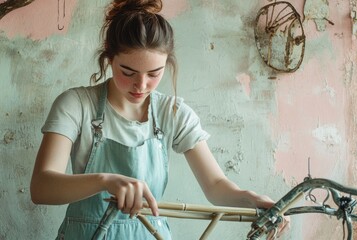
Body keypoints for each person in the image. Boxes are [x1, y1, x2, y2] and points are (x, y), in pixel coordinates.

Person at [30, 0, 289, 239]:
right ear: (109, 59)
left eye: (154, 74)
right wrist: (106, 180)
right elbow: (41, 188)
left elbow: (216, 186)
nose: (141, 85)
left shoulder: (173, 113)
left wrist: (251, 199)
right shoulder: (76, 105)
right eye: (128, 72)